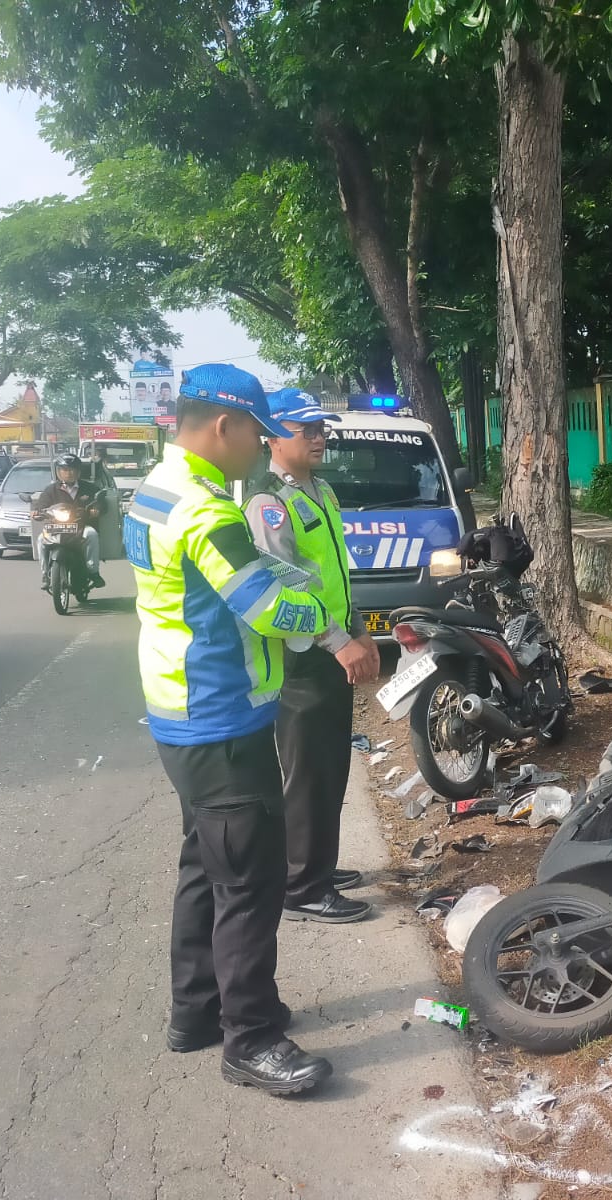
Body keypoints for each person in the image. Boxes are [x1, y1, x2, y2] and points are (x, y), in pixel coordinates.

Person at [125, 363, 334, 1097]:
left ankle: (197, 1011)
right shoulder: (207, 511)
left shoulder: (156, 488)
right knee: (249, 879)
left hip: (178, 711)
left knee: (203, 864)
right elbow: (266, 607)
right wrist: (326, 618)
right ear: (224, 426)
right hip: (220, 715)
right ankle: (251, 1038)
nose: (261, 446)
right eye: (256, 432)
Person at [244, 388, 379, 925]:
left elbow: (334, 576)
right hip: (302, 658)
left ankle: (317, 864)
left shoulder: (320, 490)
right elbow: (284, 588)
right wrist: (337, 641)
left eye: (322, 428)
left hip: (332, 649)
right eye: (307, 430)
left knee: (330, 767)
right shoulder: (268, 504)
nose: (320, 438)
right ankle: (301, 885)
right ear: (273, 437)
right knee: (307, 775)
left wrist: (360, 631)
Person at [33, 453, 104, 590]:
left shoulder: (89, 488)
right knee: (41, 539)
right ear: (58, 472)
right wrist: (36, 511)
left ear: (78, 471)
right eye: (64, 470)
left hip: (81, 527)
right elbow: (41, 505)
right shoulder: (51, 490)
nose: (68, 473)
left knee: (92, 534)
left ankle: (93, 571)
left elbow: (100, 502)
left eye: (72, 470)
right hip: (56, 527)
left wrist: (96, 509)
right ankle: (45, 575)